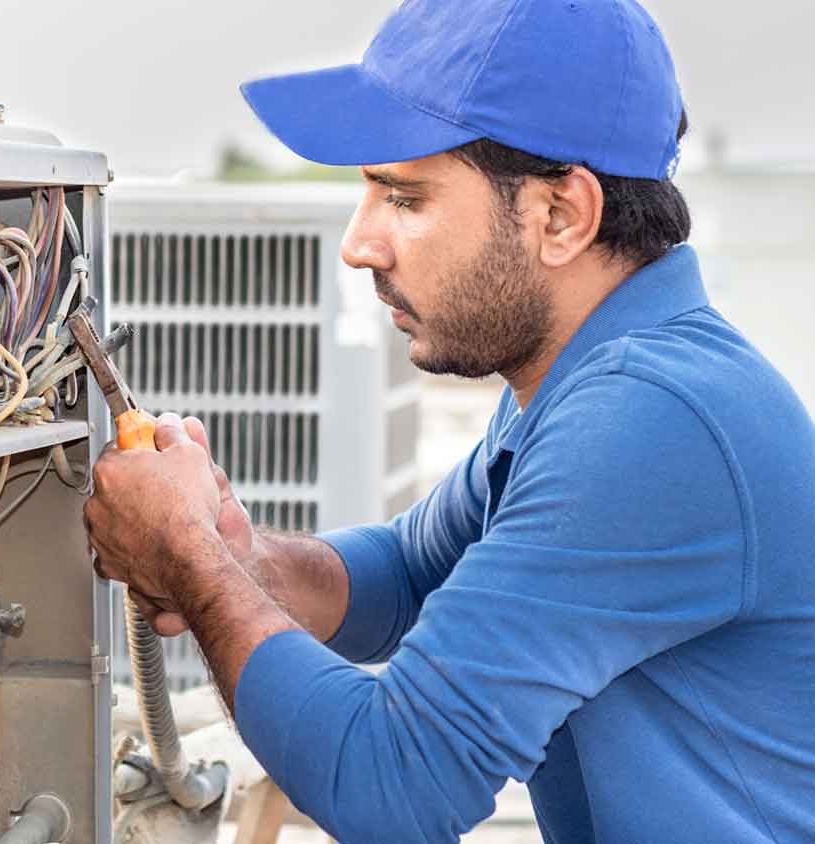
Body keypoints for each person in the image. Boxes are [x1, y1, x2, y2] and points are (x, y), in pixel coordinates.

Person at [82, 1, 815, 842]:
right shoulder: (587, 373)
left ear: (562, 216)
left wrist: (190, 558)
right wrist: (240, 557)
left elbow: (389, 786)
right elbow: (408, 574)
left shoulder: (651, 419)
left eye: (403, 196)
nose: (359, 245)